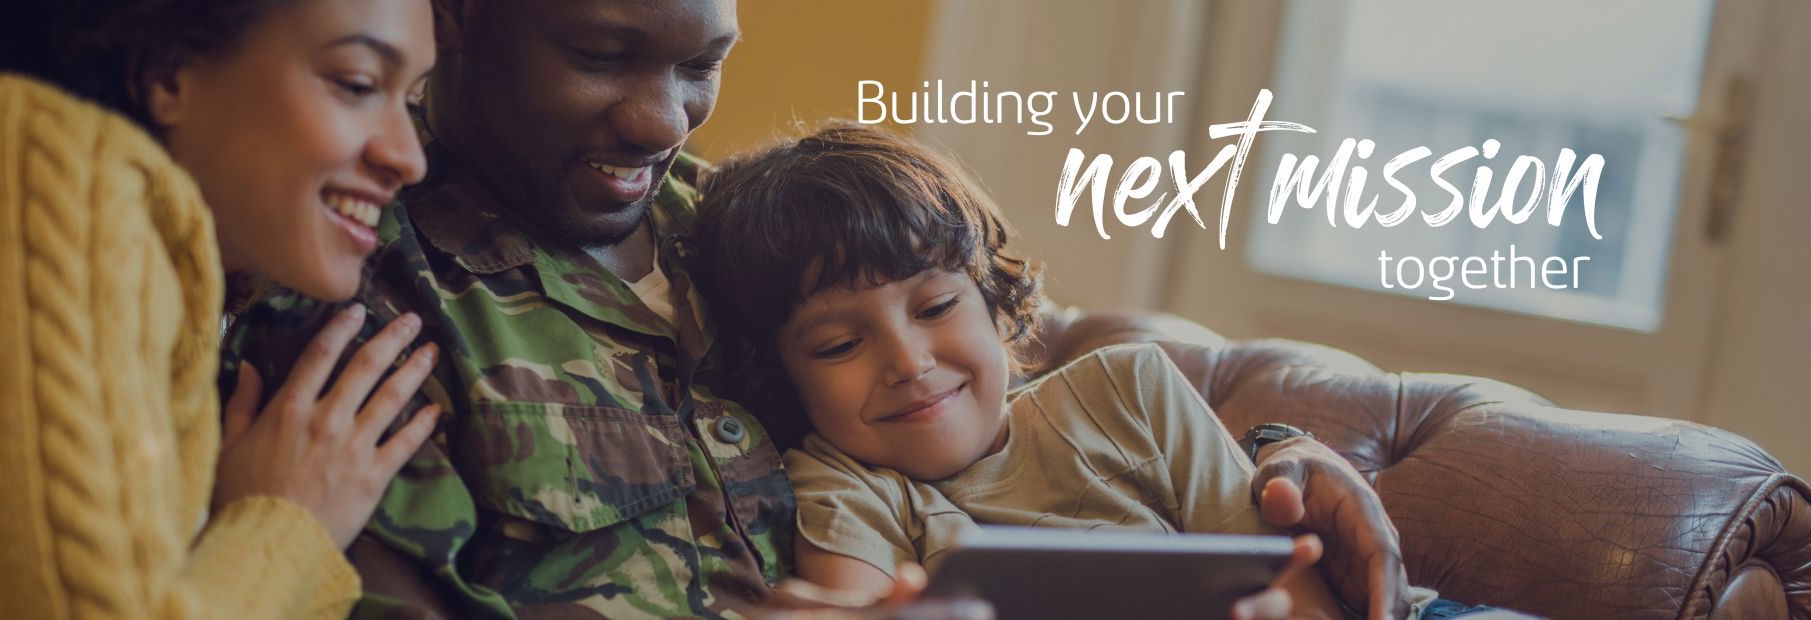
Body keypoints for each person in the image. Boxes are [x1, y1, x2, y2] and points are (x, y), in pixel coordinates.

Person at [220, 0, 1420, 618]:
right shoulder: (365, 279)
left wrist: (1287, 459)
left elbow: (1010, 395)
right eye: (602, 53)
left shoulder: (743, 227)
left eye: (702, 65)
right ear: (459, 19)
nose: (663, 119)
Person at [691, 122, 1351, 619]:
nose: (909, 363)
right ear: (782, 379)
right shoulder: (844, 488)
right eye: (838, 345)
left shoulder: (1132, 392)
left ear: (995, 306)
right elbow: (861, 603)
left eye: (938, 305)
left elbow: (1299, 594)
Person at [0, 0, 441, 616]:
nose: (409, 158)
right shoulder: (49, 162)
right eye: (357, 85)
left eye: (412, 101)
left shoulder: (166, 265)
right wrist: (290, 523)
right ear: (167, 73)